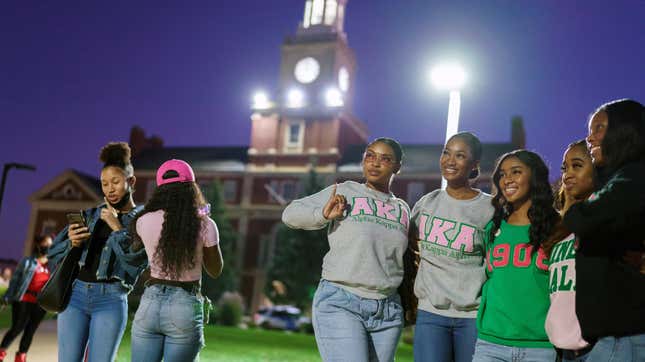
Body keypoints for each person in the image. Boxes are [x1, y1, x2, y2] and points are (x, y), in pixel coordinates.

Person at [282, 138, 409, 362]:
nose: (375, 163)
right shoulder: (345, 191)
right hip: (342, 300)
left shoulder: (403, 209)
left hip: (388, 310)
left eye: (385, 159)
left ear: (397, 167)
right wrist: (323, 215)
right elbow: (290, 214)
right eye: (370, 155)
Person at [47, 142, 148, 362]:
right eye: (104, 183)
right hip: (75, 297)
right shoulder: (91, 214)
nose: (109, 189)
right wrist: (72, 243)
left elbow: (137, 262)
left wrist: (117, 228)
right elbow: (53, 253)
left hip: (111, 300)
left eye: (115, 182)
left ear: (131, 182)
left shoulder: (142, 220)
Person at [562, 99, 645, 361]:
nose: (590, 136)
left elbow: (581, 218)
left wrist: (577, 211)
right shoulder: (616, 179)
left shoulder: (633, 176)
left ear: (624, 131)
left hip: (624, 339)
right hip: (602, 340)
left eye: (599, 128)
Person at [411, 132, 494, 362]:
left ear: (474, 164)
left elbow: (496, 261)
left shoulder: (489, 208)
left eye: (460, 155)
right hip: (431, 312)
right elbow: (409, 249)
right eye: (446, 152)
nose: (450, 160)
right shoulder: (427, 203)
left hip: (472, 316)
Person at [130, 159, 223, 362]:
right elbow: (215, 269)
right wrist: (206, 225)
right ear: (191, 188)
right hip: (185, 305)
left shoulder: (142, 221)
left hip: (150, 303)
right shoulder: (204, 224)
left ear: (160, 190)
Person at [472, 150, 559, 362]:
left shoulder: (557, 228)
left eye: (516, 172)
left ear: (535, 177)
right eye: (502, 174)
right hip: (490, 343)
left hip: (541, 346)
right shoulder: (493, 227)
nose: (507, 179)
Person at [544, 140, 595, 361]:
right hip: (564, 350)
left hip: (599, 347)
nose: (567, 174)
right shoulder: (561, 224)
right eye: (565, 168)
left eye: (577, 165)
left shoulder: (609, 219)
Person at [0, 235, 52, 362]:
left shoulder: (52, 266)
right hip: (24, 299)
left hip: (40, 304)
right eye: (46, 244)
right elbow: (15, 281)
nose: (49, 247)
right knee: (17, 327)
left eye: (51, 245)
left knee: (30, 330)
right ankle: (1, 351)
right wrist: (7, 297)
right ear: (39, 245)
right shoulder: (28, 261)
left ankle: (21, 356)